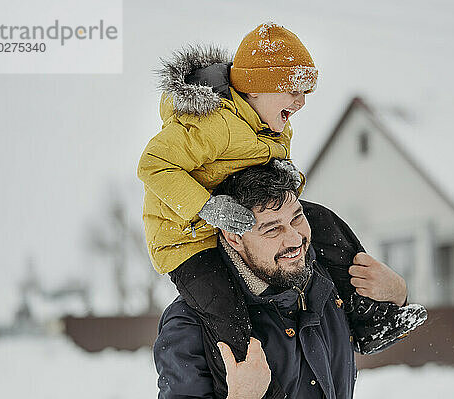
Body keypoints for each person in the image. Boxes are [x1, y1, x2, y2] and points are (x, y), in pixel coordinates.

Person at [139, 22, 426, 394]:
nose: (301, 101)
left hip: (239, 208)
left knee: (324, 221)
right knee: (223, 309)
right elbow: (152, 166)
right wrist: (207, 207)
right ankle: (243, 357)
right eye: (293, 90)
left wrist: (393, 294)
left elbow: (281, 175)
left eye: (306, 91)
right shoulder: (213, 126)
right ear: (256, 88)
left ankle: (370, 311)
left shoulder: (316, 291)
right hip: (185, 235)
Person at [154, 160, 427, 399]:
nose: (295, 240)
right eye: (272, 230)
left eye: (297, 218)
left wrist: (397, 294)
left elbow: (368, 335)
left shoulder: (326, 279)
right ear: (234, 237)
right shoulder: (190, 324)